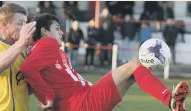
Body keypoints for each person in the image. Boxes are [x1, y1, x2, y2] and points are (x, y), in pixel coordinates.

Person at [20, 13, 189, 111]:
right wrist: (49, 97)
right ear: (44, 31)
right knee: (136, 63)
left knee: (133, 74)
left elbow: (35, 78)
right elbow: (27, 69)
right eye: (57, 28)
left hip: (82, 100)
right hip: (84, 102)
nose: (62, 33)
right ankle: (170, 100)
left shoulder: (34, 50)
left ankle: (171, 101)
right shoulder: (47, 43)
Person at [0, 3, 36, 111]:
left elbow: (26, 89)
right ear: (4, 25)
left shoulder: (22, 48)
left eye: (25, 23)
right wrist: (21, 43)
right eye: (20, 23)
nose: (24, 28)